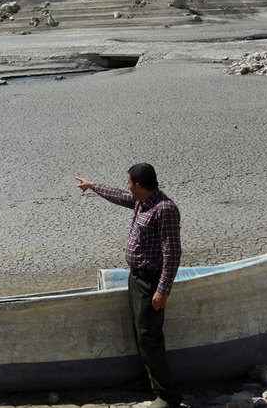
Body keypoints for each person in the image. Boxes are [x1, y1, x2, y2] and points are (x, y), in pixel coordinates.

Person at [76, 163, 183, 408]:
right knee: (139, 331)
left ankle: (169, 396)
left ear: (139, 185)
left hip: (151, 281)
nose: (127, 187)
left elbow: (173, 253)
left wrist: (162, 290)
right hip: (136, 278)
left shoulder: (164, 209)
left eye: (129, 182)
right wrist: (93, 186)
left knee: (149, 335)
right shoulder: (141, 201)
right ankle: (152, 382)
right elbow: (120, 195)